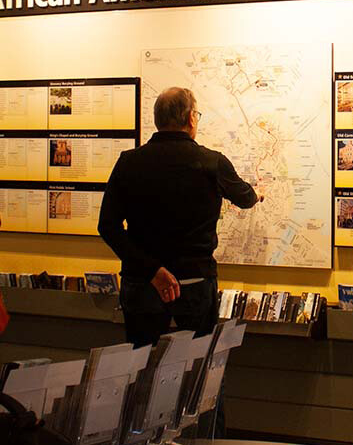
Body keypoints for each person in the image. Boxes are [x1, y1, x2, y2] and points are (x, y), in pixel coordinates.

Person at [98, 87, 260, 348]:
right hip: (195, 285)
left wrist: (152, 270)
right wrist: (257, 195)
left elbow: (107, 226)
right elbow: (245, 198)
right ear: (191, 119)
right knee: (194, 372)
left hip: (142, 285)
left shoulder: (128, 162)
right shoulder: (211, 162)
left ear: (157, 120)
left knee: (141, 370)